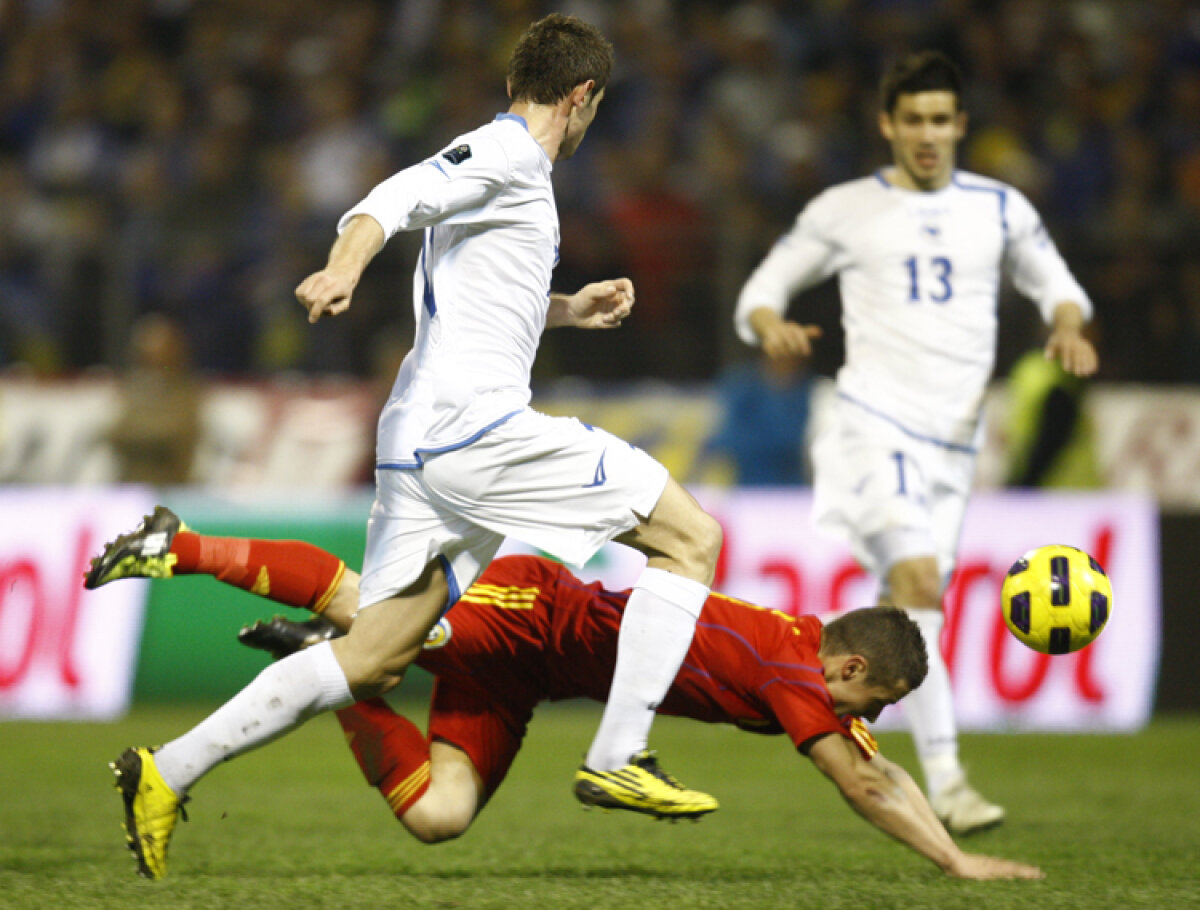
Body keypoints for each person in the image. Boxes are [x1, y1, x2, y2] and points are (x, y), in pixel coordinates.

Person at [94, 15, 724, 881]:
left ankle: (166, 771)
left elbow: (483, 305)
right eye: (594, 110)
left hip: (422, 433)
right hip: (477, 430)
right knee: (691, 538)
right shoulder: (504, 157)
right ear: (581, 97)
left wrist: (569, 308)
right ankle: (620, 751)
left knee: (373, 654)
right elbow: (389, 199)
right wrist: (345, 264)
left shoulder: (514, 177)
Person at [87, 508, 1042, 881]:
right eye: (873, 706)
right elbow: (865, 785)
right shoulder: (800, 678)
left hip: (535, 678)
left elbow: (881, 772)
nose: (866, 725)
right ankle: (179, 545)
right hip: (532, 613)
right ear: (852, 672)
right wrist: (959, 869)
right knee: (358, 601)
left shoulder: (808, 661)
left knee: (440, 817)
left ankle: (333, 677)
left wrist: (948, 842)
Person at [733, 51, 1099, 835]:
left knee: (910, 614)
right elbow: (760, 291)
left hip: (953, 446)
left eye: (941, 120)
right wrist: (774, 325)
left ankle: (777, 682)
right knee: (923, 584)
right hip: (870, 424)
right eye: (914, 120)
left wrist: (1067, 326)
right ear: (888, 125)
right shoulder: (845, 208)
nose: (929, 135)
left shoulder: (999, 208)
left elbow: (1057, 284)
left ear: (959, 125)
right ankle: (952, 784)